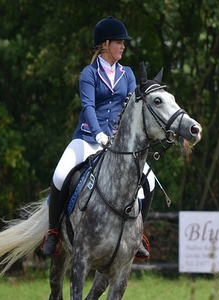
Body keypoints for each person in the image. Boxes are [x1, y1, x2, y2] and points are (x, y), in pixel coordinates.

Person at [42, 16, 155, 259]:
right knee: (60, 174)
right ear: (105, 44)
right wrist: (98, 134)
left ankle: (138, 235)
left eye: (123, 43)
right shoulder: (89, 73)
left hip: (117, 144)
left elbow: (131, 109)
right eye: (119, 42)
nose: (123, 46)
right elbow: (88, 107)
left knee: (151, 181)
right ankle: (54, 232)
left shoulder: (128, 75)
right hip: (87, 138)